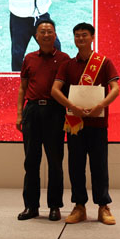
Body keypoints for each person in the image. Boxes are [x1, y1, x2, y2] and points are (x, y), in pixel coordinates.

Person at [51, 22, 120, 225]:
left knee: (99, 166)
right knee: (76, 166)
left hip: (98, 124)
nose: (80, 38)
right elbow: (55, 90)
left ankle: (103, 206)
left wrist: (101, 105)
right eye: (77, 35)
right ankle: (79, 206)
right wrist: (71, 106)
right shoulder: (67, 65)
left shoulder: (104, 62)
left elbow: (115, 88)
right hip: (75, 124)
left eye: (84, 35)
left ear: (92, 37)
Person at [16, 19, 70, 221]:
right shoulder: (29, 58)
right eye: (42, 32)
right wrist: (19, 114)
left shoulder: (64, 59)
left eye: (50, 31)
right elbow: (22, 88)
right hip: (32, 112)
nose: (46, 35)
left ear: (55, 35)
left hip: (55, 112)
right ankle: (31, 206)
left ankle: (55, 206)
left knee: (55, 161)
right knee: (31, 161)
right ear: (36, 36)